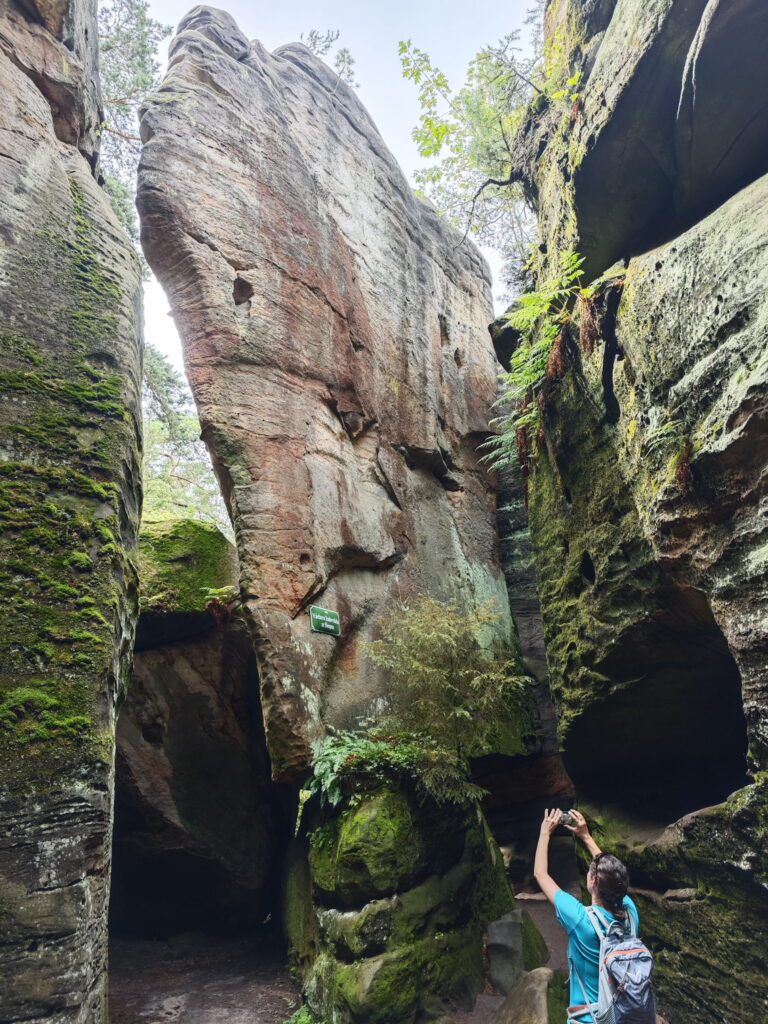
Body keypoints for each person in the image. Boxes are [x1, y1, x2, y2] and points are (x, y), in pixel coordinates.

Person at [533, 807, 639, 1023]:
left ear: (592, 881)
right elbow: (612, 874)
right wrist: (586, 836)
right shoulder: (630, 912)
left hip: (588, 1019)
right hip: (622, 1015)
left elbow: (540, 874)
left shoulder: (581, 919)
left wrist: (545, 832)